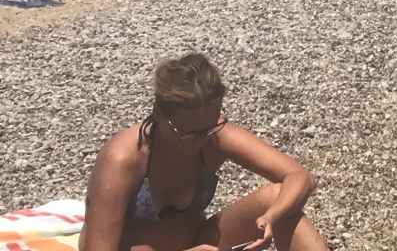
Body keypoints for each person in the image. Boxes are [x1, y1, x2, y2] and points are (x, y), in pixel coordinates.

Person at [76, 52, 326, 251]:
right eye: (190, 133)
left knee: (282, 201)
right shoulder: (123, 159)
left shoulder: (214, 135)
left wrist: (272, 217)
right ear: (160, 115)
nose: (201, 141)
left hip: (196, 240)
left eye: (210, 127)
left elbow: (299, 177)